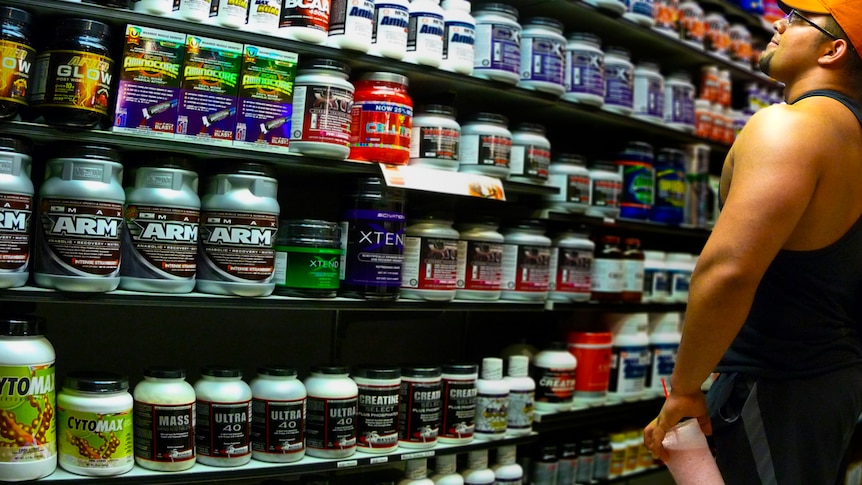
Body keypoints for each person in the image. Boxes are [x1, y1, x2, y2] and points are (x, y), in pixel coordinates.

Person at [643, 0, 862, 483]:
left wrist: (683, 389)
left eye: (797, 19)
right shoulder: (851, 137)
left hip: (777, 384)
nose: (778, 24)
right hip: (828, 381)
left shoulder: (790, 126)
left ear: (834, 49)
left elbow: (728, 271)